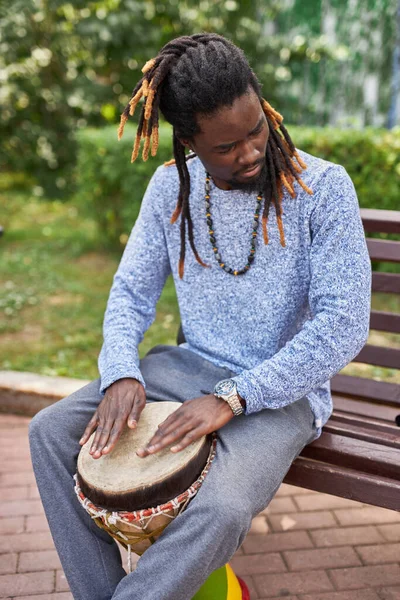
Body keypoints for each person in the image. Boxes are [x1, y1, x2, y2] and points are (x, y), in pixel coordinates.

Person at [29, 33, 372, 600]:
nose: (250, 151)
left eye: (256, 128)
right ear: (188, 142)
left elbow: (344, 323)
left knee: (223, 507)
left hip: (282, 393)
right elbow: (130, 294)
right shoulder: (170, 188)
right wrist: (119, 372)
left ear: (262, 102)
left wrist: (234, 397)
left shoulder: (322, 189)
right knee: (49, 433)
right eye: (226, 147)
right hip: (183, 368)